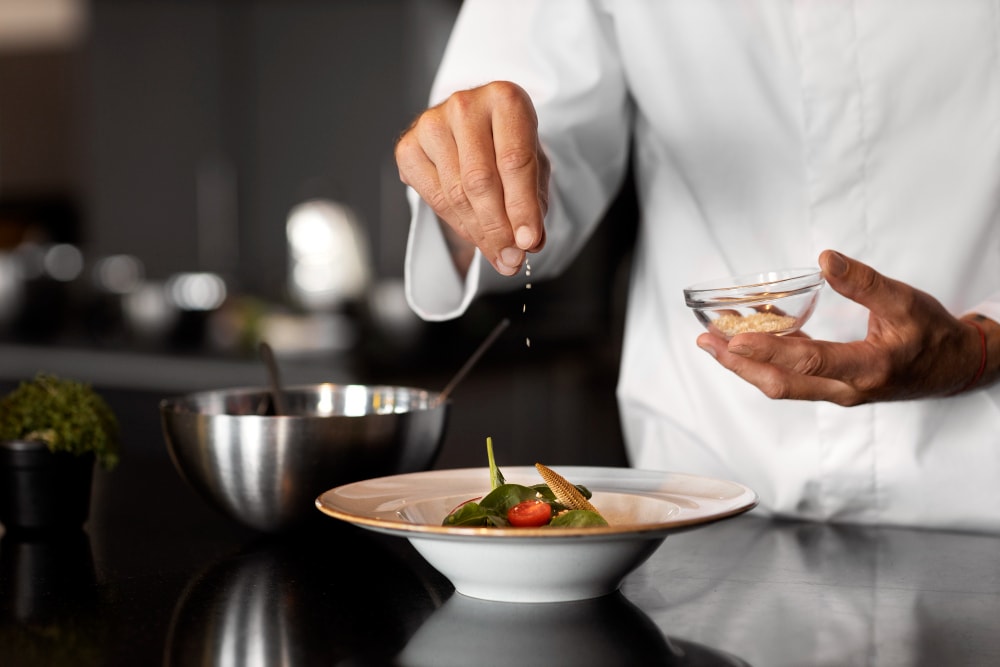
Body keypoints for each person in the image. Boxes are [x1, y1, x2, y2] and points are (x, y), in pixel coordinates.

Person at [394, 1, 1000, 532]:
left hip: (979, 493)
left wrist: (979, 348)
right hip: (705, 495)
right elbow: (526, 172)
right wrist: (475, 179)